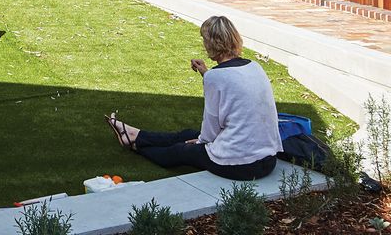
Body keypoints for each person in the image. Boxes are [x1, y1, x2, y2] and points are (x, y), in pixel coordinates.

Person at [107, 16, 282, 180]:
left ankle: (136, 145)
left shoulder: (216, 77)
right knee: (186, 134)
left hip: (241, 164)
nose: (204, 44)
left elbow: (211, 126)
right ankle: (135, 134)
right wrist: (206, 73)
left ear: (214, 43)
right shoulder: (254, 67)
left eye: (205, 40)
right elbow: (231, 85)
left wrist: (200, 143)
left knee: (181, 150)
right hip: (267, 159)